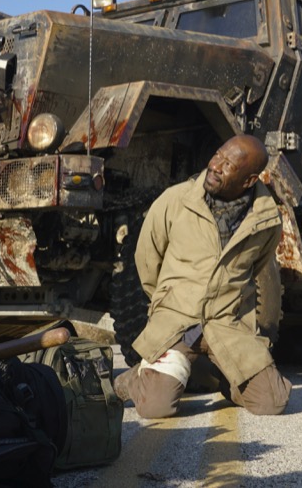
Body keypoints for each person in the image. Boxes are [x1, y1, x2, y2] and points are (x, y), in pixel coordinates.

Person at [115, 134, 291, 418]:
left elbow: (256, 268)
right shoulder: (175, 200)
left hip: (227, 326)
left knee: (272, 402)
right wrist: (166, 301)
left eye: (228, 164)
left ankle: (226, 377)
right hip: (177, 322)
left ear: (249, 181)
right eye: (218, 155)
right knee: (156, 407)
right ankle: (133, 378)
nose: (216, 166)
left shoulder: (266, 220)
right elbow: (146, 259)